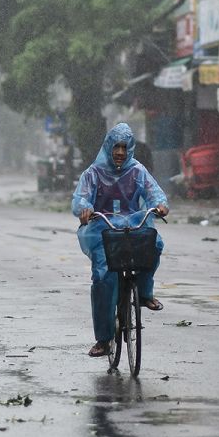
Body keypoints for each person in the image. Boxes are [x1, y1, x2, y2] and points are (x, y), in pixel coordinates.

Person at [72, 123, 169, 358]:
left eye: (125, 147)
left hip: (133, 226)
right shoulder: (93, 173)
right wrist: (84, 209)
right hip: (103, 230)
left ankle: (144, 294)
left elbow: (154, 192)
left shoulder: (137, 171)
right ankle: (104, 340)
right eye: (116, 147)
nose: (120, 152)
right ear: (108, 147)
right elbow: (81, 198)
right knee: (104, 278)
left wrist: (161, 204)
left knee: (154, 244)